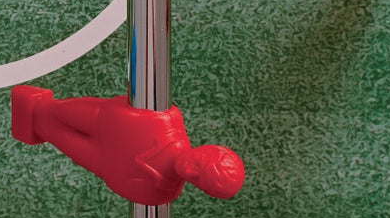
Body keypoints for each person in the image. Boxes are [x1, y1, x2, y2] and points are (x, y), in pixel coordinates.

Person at [12, 86, 244, 205]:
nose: (190, 170)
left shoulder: (163, 191)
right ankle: (37, 106)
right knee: (59, 112)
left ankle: (34, 122)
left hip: (102, 162)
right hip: (104, 120)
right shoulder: (169, 123)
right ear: (206, 148)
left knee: (56, 135)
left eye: (198, 178)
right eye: (199, 163)